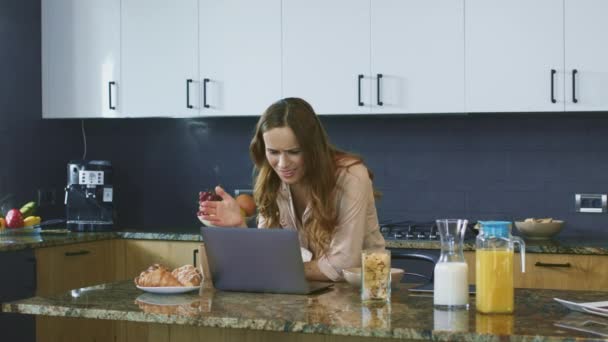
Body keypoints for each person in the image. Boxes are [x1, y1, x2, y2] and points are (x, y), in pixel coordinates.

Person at [198, 97, 385, 282]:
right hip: (308, 293)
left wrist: (279, 269)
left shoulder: (351, 176)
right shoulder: (272, 181)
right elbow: (268, 255)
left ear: (314, 149)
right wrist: (239, 227)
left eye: (294, 152)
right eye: (273, 152)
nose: (282, 164)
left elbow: (342, 264)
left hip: (365, 294)